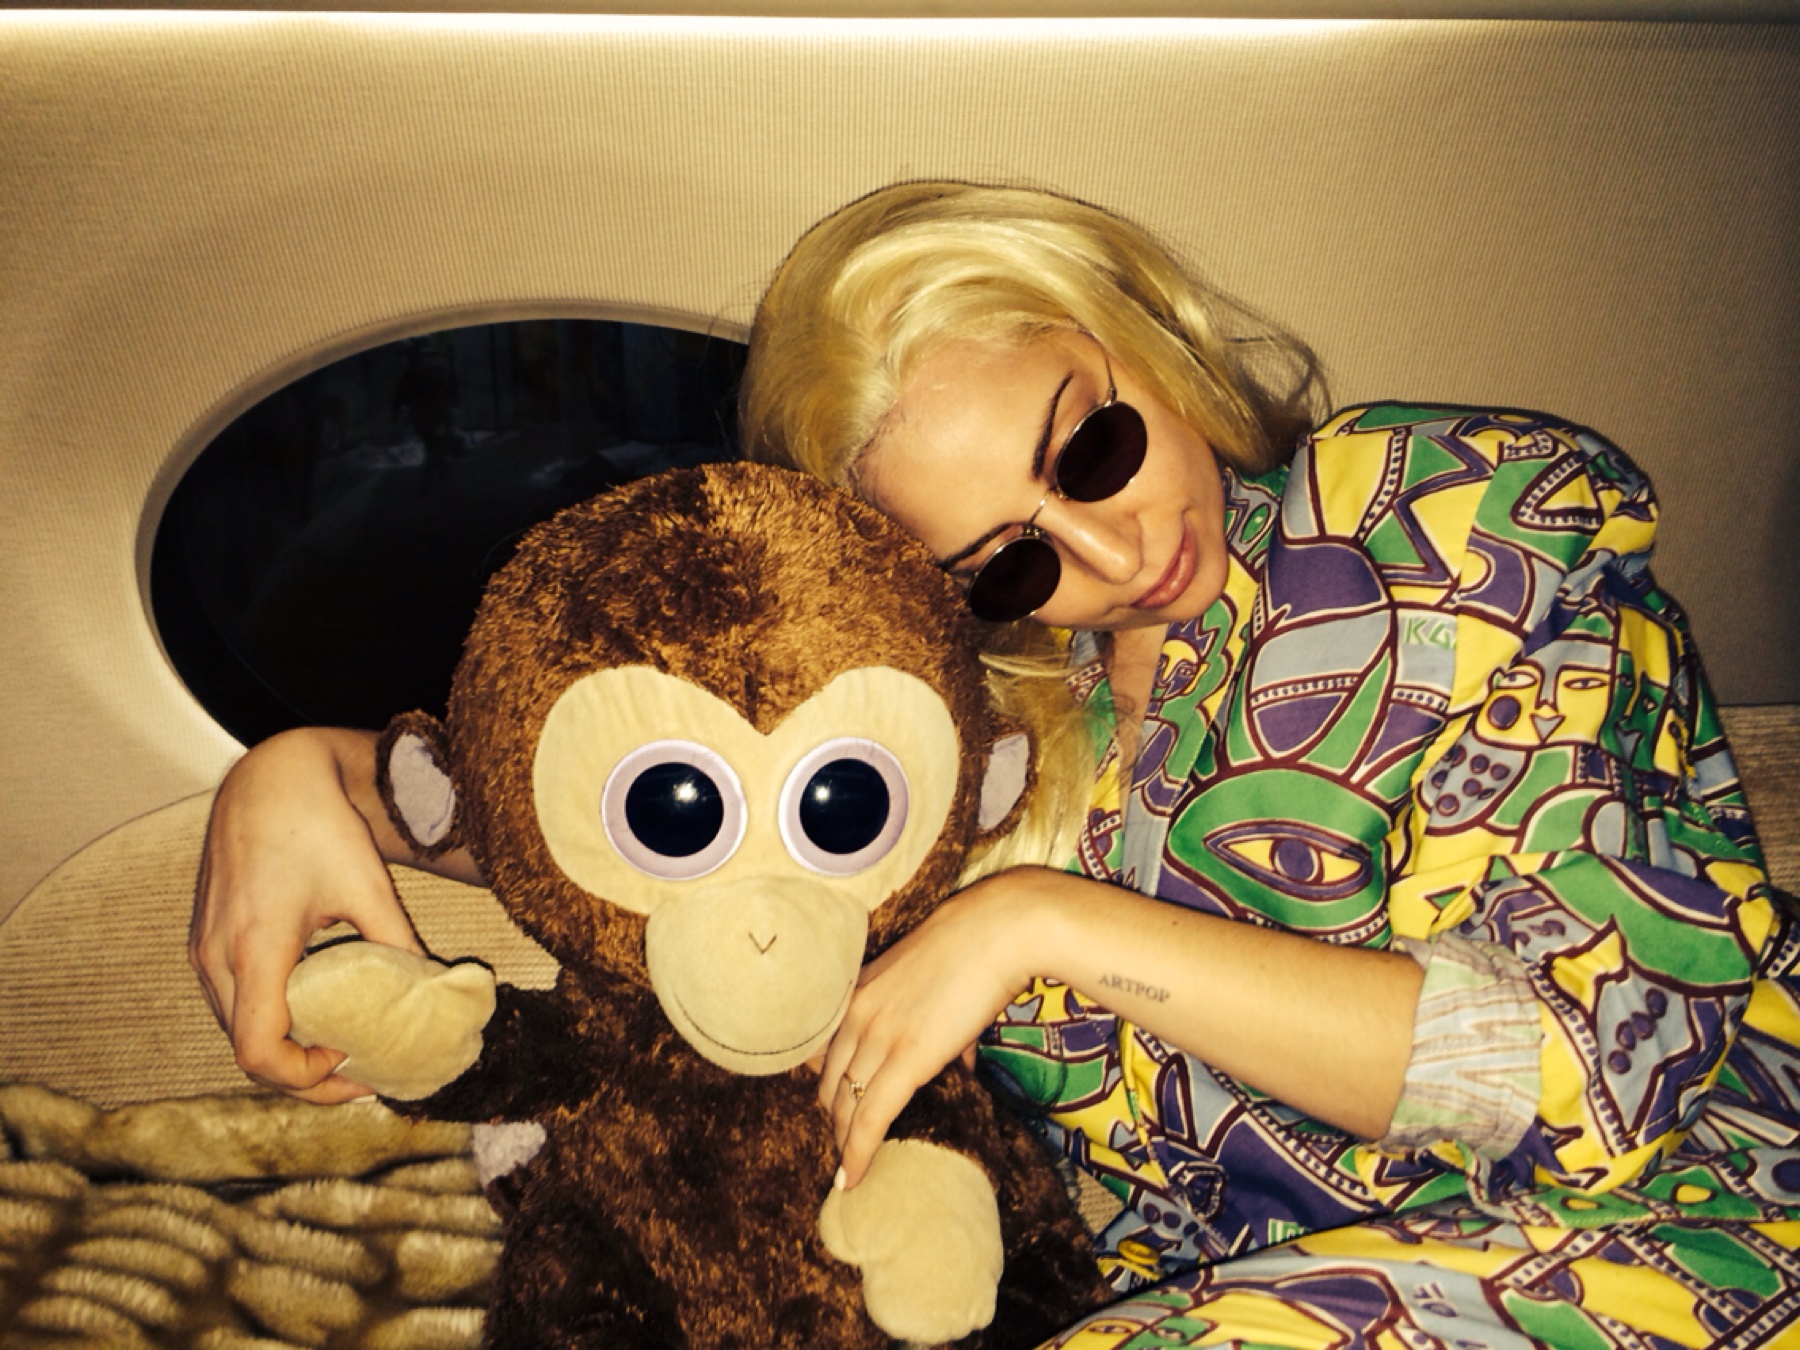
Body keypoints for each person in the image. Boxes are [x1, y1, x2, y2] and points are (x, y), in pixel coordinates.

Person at [191, 181, 1800, 1346]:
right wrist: (295, 772)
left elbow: (1587, 1069)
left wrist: (1041, 925)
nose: (1114, 551)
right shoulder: (986, 735)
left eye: (1090, 445)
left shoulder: (1455, 528)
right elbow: (645, 798)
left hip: (1672, 1238)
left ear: (1126, 321)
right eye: (1011, 562)